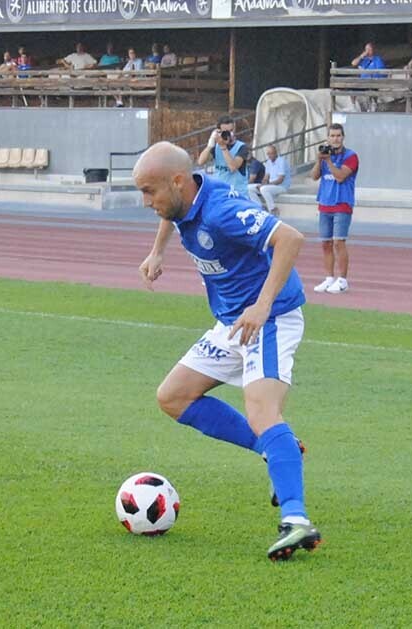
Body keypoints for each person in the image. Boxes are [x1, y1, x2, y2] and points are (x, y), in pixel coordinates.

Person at [133, 142, 318, 561]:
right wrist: (157, 250)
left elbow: (289, 239)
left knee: (262, 412)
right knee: (173, 397)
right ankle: (276, 449)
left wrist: (263, 305)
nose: (146, 202)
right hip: (232, 322)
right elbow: (171, 213)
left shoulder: (222, 211)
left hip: (269, 319)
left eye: (149, 191)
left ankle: (296, 520)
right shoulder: (185, 196)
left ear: (177, 181)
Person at [309, 124, 357, 294]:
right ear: (328, 138)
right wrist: (319, 160)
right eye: (332, 136)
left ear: (343, 137)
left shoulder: (351, 156)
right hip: (325, 203)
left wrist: (328, 161)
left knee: (338, 242)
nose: (335, 139)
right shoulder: (325, 156)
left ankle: (342, 280)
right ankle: (329, 278)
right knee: (326, 243)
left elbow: (340, 177)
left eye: (338, 135)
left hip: (342, 203)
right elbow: (314, 176)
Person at [197, 114, 250, 196]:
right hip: (220, 191)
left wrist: (223, 147)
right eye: (226, 131)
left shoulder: (242, 147)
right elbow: (201, 161)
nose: (230, 134)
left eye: (231, 130)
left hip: (237, 193)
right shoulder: (216, 146)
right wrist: (210, 144)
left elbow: (233, 167)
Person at [248, 145, 292, 214]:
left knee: (264, 189)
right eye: (268, 154)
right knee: (249, 188)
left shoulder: (281, 161)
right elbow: (266, 177)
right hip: (271, 186)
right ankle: (260, 207)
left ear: (276, 153)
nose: (270, 155)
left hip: (282, 186)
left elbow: (280, 180)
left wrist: (265, 185)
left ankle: (272, 209)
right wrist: (262, 184)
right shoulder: (268, 162)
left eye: (272, 153)